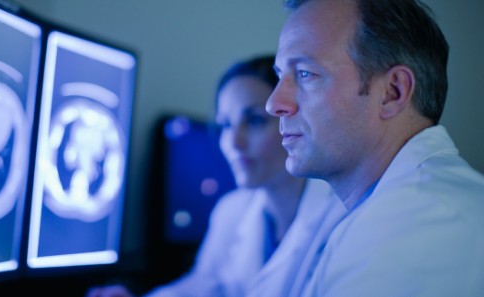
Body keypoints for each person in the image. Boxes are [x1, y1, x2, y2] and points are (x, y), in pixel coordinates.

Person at [264, 0, 484, 296]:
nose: (274, 104)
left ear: (392, 92)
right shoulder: (391, 208)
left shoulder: (415, 224)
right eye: (280, 76)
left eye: (305, 73)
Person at [87, 55, 341, 297]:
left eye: (254, 121)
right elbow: (203, 286)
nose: (234, 143)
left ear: (294, 121)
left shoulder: (339, 215)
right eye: (226, 125)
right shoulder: (231, 210)